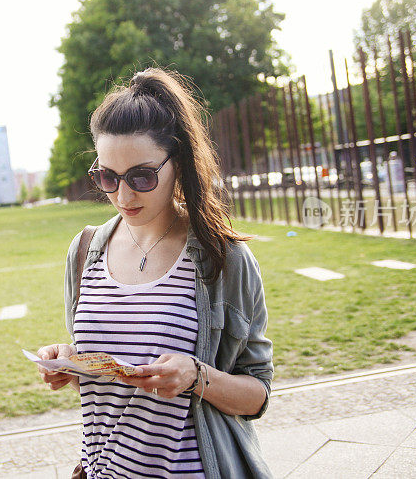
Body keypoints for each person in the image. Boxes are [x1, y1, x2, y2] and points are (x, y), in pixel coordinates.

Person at [37, 68, 274, 478]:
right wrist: (71, 366)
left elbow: (257, 396)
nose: (123, 196)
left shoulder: (224, 257)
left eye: (142, 177)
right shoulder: (83, 252)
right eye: (107, 176)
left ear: (178, 162)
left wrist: (196, 375)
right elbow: (109, 387)